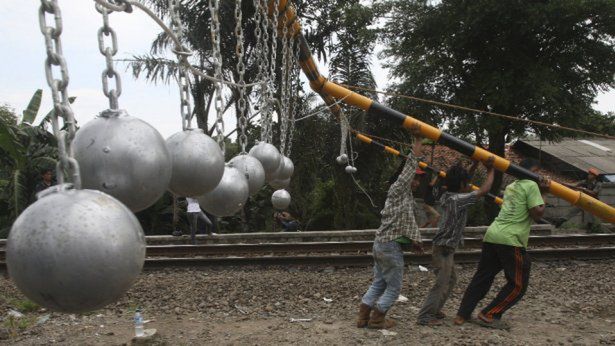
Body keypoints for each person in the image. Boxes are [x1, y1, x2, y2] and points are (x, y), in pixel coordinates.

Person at [454, 158, 548, 330]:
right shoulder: (532, 185)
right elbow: (538, 214)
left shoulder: (512, 186)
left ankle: (462, 314)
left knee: (482, 277)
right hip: (510, 239)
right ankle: (489, 314)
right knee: (518, 285)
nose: (540, 176)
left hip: (493, 234)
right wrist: (545, 193)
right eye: (537, 172)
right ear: (531, 172)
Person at [356, 135, 424, 330]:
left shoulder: (404, 197)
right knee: (394, 289)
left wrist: (415, 241)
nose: (417, 182)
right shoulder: (399, 188)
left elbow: (407, 222)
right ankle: (377, 319)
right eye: (416, 178)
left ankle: (362, 318)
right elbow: (408, 170)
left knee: (379, 283)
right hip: (389, 246)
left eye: (419, 179)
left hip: (381, 244)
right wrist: (417, 146)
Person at [417, 158, 495, 326]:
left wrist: (473, 165)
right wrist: (491, 170)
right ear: (461, 185)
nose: (469, 185)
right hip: (444, 248)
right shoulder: (458, 200)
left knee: (451, 280)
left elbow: (462, 182)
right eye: (467, 182)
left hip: (446, 247)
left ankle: (435, 310)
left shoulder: (449, 196)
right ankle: (424, 316)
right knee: (441, 283)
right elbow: (484, 189)